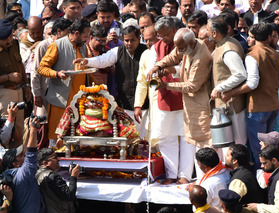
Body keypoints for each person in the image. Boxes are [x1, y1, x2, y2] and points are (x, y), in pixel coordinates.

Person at [221, 23, 279, 167]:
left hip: (257, 109)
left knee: (258, 150)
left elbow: (252, 83)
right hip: (274, 107)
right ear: (269, 37)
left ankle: (261, 180)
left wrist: (231, 92)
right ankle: (271, 177)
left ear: (253, 37)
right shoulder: (278, 55)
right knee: (271, 148)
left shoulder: (252, 55)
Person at [148, 28, 213, 181]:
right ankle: (197, 181)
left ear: (191, 42)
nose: (180, 51)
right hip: (190, 104)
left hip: (200, 104)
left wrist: (166, 86)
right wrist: (158, 66)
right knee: (190, 139)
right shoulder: (186, 46)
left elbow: (192, 86)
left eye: (182, 48)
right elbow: (173, 56)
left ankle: (203, 182)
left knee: (199, 144)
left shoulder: (201, 57)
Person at [74, 25, 148, 137]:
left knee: (146, 136)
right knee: (128, 136)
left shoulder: (146, 52)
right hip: (124, 103)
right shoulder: (118, 51)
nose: (129, 43)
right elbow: (102, 61)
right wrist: (86, 61)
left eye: (132, 40)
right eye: (126, 40)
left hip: (146, 104)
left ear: (138, 38)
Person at [2, 117, 45, 213]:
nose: (24, 156)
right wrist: (33, 130)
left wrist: (29, 129)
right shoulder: (23, 174)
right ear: (15, 163)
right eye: (21, 156)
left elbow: (28, 153)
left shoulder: (9, 174)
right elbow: (32, 155)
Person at [38, 19, 91, 144]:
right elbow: (42, 68)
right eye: (85, 36)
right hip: (60, 101)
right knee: (56, 138)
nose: (86, 39)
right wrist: (56, 74)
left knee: (76, 138)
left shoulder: (83, 47)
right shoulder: (57, 45)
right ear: (76, 33)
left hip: (79, 102)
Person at [208, 16, 247, 148]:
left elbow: (240, 74)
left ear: (214, 33)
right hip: (226, 105)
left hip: (233, 105)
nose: (206, 32)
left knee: (238, 144)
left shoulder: (228, 49)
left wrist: (220, 87)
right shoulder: (222, 45)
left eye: (208, 30)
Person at [32, 18, 73, 117]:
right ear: (59, 32)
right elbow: (36, 71)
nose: (69, 36)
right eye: (67, 33)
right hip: (44, 92)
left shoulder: (68, 45)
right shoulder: (44, 46)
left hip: (61, 93)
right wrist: (36, 94)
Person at [0, 19, 31, 142]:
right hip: (4, 93)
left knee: (19, 130)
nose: (9, 41)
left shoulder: (15, 44)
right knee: (6, 129)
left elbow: (20, 65)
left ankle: (18, 158)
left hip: (19, 91)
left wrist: (26, 85)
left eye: (10, 37)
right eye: (4, 39)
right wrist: (8, 77)